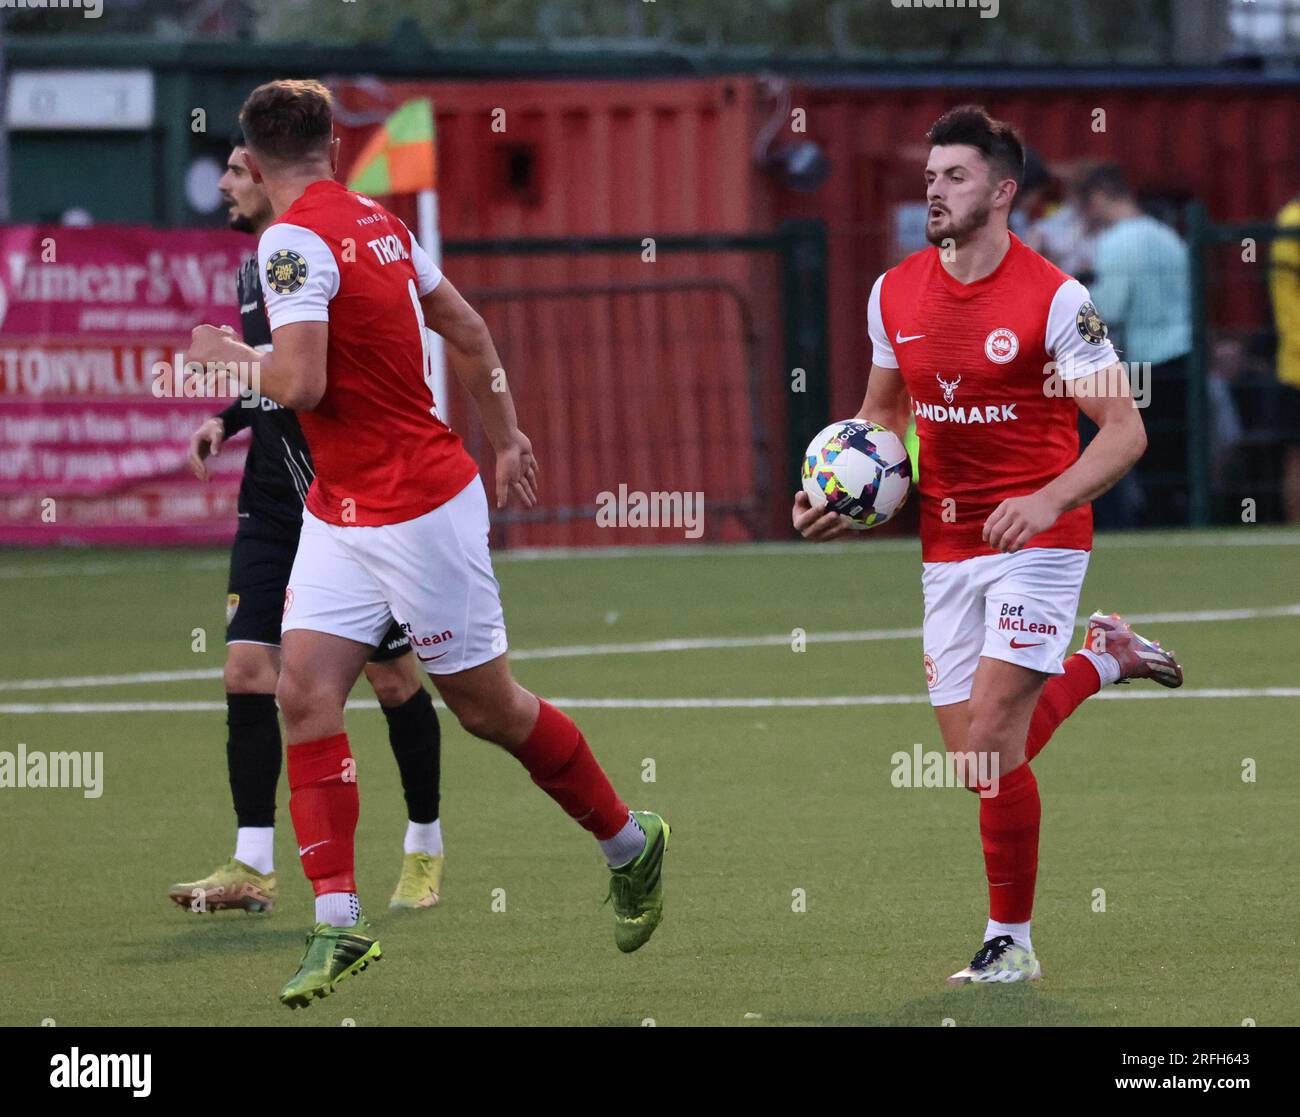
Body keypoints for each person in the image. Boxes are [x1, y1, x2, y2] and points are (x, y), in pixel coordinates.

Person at [188, 80, 669, 1008]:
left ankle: (628, 840)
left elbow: (301, 379)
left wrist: (229, 357)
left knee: (490, 711)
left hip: (417, 508)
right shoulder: (377, 220)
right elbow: (468, 326)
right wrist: (509, 432)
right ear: (331, 143)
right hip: (342, 509)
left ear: (251, 153)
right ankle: (339, 921)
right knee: (303, 691)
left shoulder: (289, 241)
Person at [793, 106, 1183, 985]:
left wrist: (1048, 499)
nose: (935, 190)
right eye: (930, 177)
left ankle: (1011, 939)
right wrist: (837, 489)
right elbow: (881, 416)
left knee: (996, 731)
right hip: (947, 541)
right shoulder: (892, 292)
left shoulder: (1055, 297)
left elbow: (1124, 432)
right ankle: (1107, 661)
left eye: (955, 176)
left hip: (1043, 537)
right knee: (977, 758)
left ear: (1002, 192)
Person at [169, 140, 447, 917]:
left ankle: (424, 843)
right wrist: (226, 418)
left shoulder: (310, 250)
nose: (223, 184)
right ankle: (252, 864)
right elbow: (274, 370)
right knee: (246, 673)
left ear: (263, 173)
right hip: (272, 504)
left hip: (351, 507)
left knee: (393, 680)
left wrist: (226, 362)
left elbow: (307, 379)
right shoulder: (253, 263)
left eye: (233, 169)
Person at [1077, 163, 1193, 525]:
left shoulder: (1116, 242)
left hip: (1145, 360)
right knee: (1176, 457)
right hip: (1183, 353)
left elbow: (1107, 309)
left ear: (1098, 199)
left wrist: (1076, 291)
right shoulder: (1169, 237)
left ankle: (1142, 523)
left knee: (1141, 453)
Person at [1268, 194, 1300, 523]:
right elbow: (1286, 305)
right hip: (1297, 366)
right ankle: (1294, 532)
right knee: (1296, 456)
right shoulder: (1292, 222)